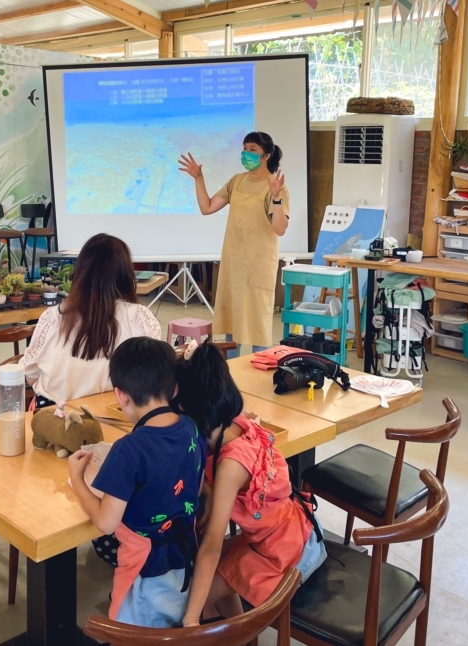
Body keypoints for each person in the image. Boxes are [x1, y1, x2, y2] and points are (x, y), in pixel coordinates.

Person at [172, 342, 326, 626]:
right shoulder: (236, 423)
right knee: (211, 574)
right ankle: (242, 635)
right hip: (293, 531)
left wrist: (191, 618)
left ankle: (228, 630)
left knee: (189, 602)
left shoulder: (231, 464)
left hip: (283, 556)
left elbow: (212, 546)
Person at [68, 337, 208, 628]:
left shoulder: (128, 449)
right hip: (185, 563)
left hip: (143, 574)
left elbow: (106, 523)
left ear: (121, 396)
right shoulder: (192, 429)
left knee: (136, 633)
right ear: (174, 387)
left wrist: (77, 479)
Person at [21, 233, 160, 408]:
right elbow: (151, 379)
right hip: (118, 416)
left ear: (80, 272)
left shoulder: (54, 316)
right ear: (126, 274)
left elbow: (31, 375)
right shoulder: (142, 317)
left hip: (55, 418)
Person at [178, 132, 288, 350]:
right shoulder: (236, 181)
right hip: (233, 262)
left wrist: (277, 198)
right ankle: (230, 373)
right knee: (232, 323)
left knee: (258, 325)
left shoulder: (276, 187)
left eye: (253, 150)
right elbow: (207, 208)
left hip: (258, 264)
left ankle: (257, 377)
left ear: (266, 156)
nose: (246, 154)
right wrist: (198, 179)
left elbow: (280, 228)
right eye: (245, 148)